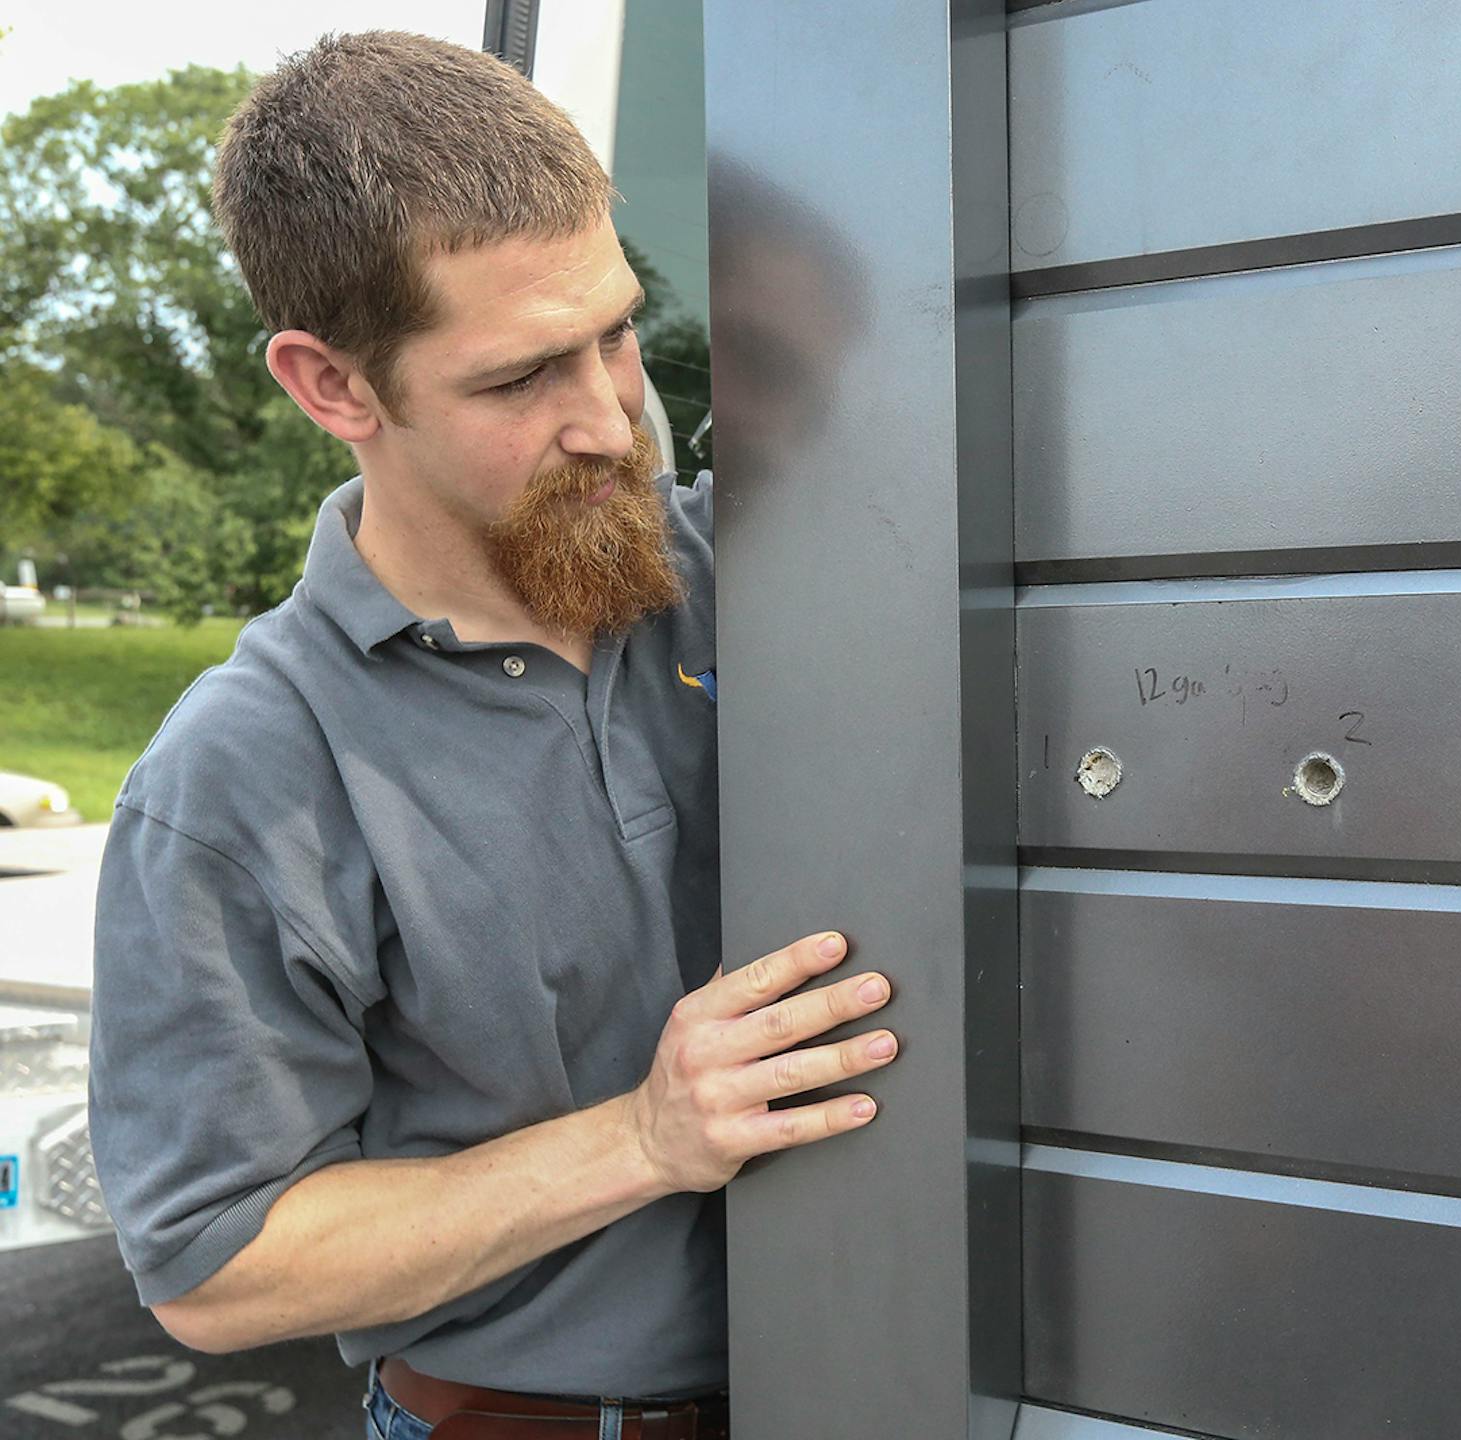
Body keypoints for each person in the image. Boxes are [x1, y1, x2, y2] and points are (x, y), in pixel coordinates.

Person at [86, 31, 894, 1439]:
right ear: (332, 386)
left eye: (616, 334)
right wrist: (642, 1139)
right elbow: (218, 1267)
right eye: (520, 379)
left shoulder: (767, 571)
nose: (611, 425)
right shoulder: (247, 774)